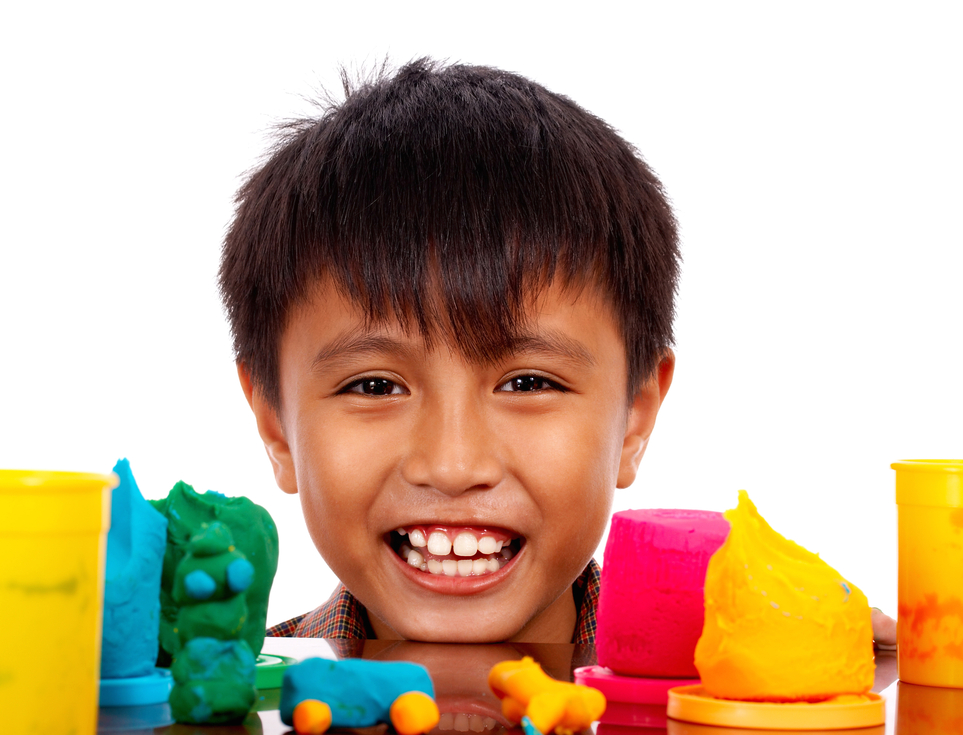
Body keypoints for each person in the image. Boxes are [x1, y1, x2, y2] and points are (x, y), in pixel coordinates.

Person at [220, 59, 897, 648]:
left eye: (528, 382)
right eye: (373, 387)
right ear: (275, 425)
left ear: (634, 417)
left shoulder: (726, 710)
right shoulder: (212, 726)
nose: (454, 465)